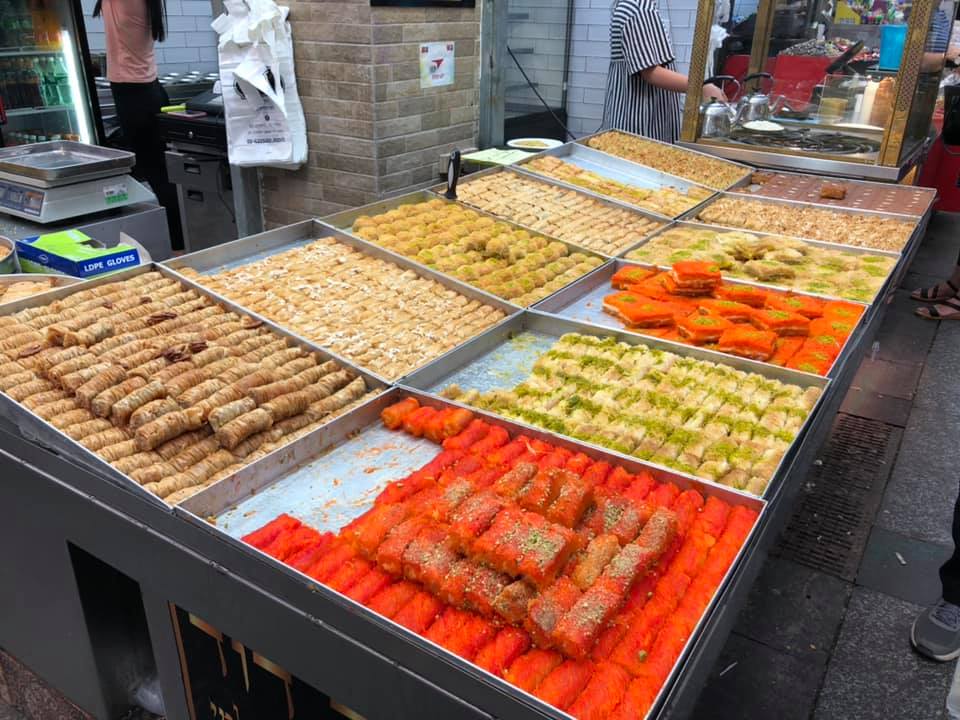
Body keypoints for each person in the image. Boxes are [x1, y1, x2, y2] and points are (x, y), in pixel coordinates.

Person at [94, 0, 183, 248]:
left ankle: (178, 243)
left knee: (157, 173)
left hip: (134, 95)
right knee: (160, 171)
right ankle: (180, 239)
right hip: (146, 91)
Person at [602, 0, 725, 143]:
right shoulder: (638, 9)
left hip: (633, 115)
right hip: (640, 122)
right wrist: (701, 87)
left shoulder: (637, 7)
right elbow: (651, 73)